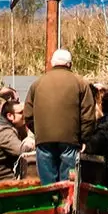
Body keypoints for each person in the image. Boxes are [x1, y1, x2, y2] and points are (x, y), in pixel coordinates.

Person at [25, 48, 95, 185]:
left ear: (52, 63)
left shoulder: (37, 83)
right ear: (70, 64)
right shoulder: (81, 83)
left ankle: (51, 202)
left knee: (48, 183)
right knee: (68, 182)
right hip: (71, 139)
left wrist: (38, 132)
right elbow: (88, 115)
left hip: (43, 139)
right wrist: (83, 138)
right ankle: (66, 203)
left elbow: (28, 114)